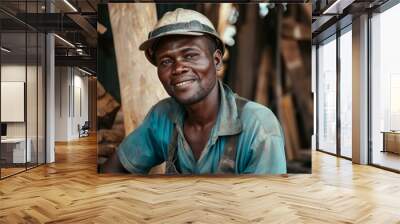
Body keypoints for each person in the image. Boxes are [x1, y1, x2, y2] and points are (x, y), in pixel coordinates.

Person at [103, 8, 286, 175]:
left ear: (216, 61)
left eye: (190, 56)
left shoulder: (258, 126)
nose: (178, 68)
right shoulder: (163, 117)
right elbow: (116, 168)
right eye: (166, 61)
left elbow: (266, 206)